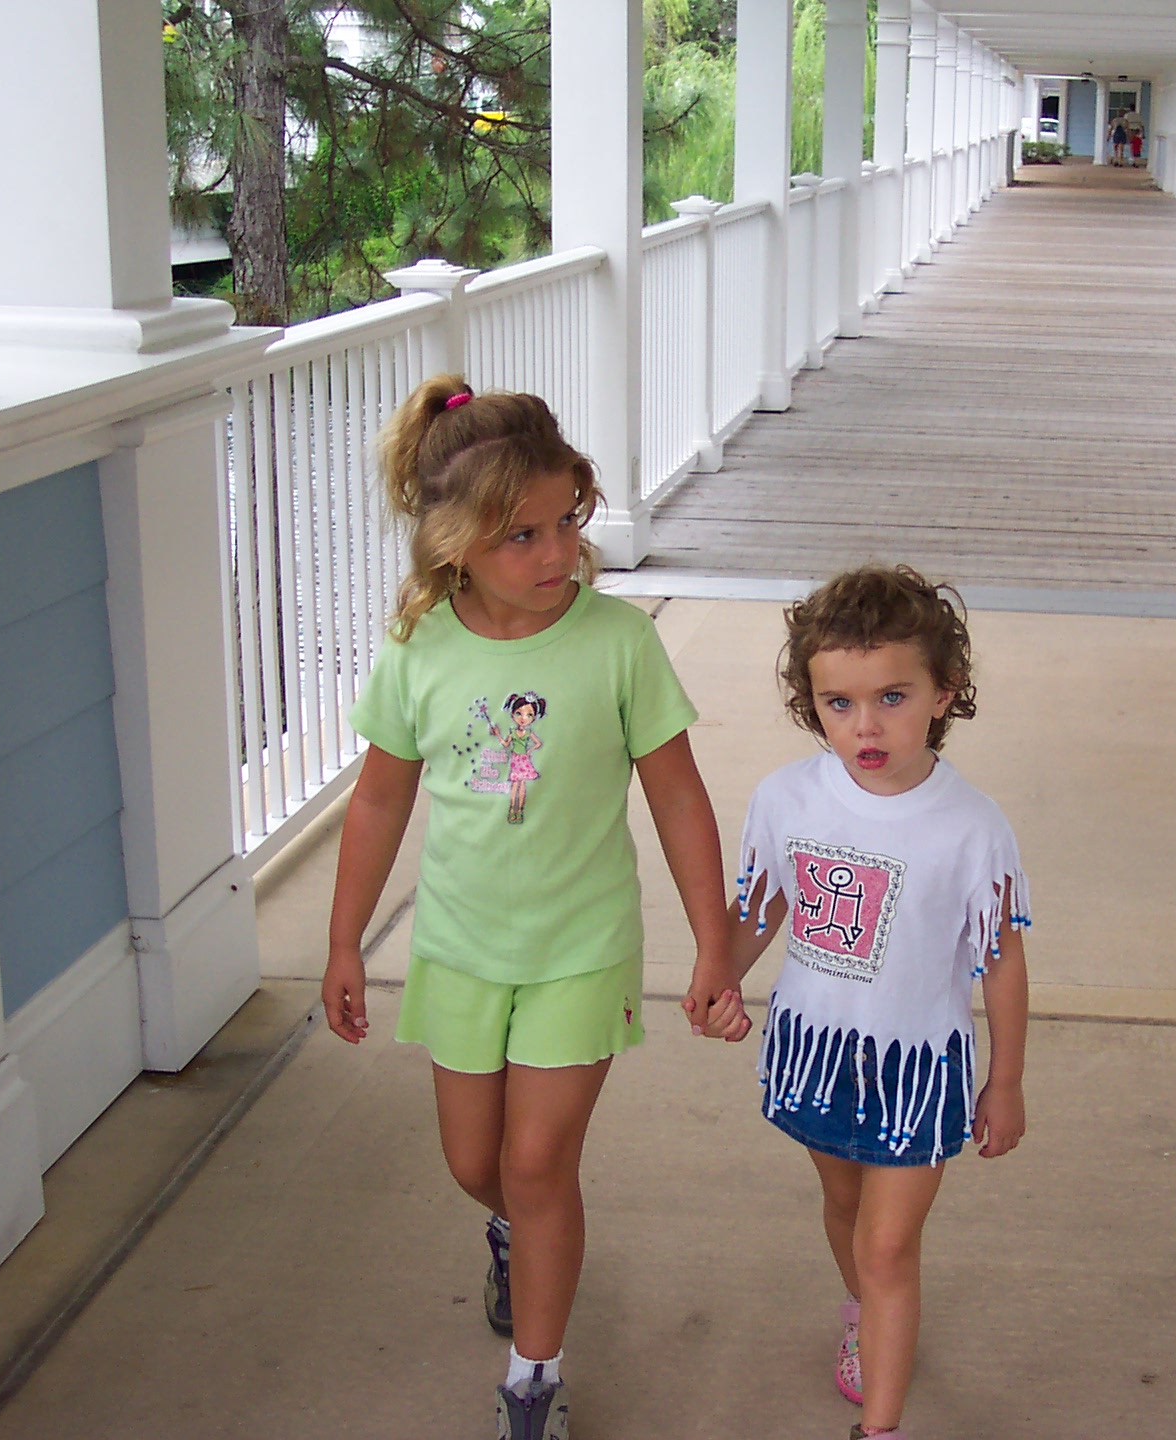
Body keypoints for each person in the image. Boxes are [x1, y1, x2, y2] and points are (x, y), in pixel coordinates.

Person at [322, 374, 731, 1440]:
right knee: (481, 1167)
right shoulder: (421, 650)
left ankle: (533, 1380)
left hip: (580, 948)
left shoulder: (616, 646)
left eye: (566, 523)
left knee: (541, 1162)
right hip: (458, 947)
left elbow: (678, 796)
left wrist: (712, 942)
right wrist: (343, 944)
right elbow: (377, 801)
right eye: (521, 537)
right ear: (453, 543)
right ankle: (513, 1230)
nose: (557, 556)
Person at [685, 566, 1031, 1440]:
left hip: (917, 1069)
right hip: (818, 1053)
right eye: (838, 703)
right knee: (845, 1210)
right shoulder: (787, 798)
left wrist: (1008, 1081)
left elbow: (1002, 960)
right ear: (811, 702)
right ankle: (861, 1313)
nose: (865, 725)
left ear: (944, 692)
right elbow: (759, 912)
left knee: (888, 1245)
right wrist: (715, 980)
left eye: (892, 696)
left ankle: (880, 1426)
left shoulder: (971, 825)